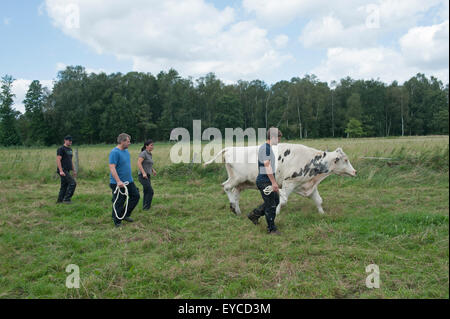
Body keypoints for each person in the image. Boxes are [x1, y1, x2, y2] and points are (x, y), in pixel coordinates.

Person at [247, 127, 282, 235]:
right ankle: (271, 229)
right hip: (264, 181)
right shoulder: (266, 148)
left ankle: (254, 215)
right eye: (278, 138)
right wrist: (274, 182)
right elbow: (267, 166)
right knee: (271, 205)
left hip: (266, 180)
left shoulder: (267, 147)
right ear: (272, 137)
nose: (279, 140)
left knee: (275, 201)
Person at [109, 133, 140, 228]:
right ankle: (117, 221)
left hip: (129, 181)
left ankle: (124, 214)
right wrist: (118, 181)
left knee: (135, 196)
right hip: (118, 182)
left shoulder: (126, 152)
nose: (129, 143)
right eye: (128, 141)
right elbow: (112, 168)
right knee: (119, 201)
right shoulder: (114, 152)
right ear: (122, 141)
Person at [56, 135, 77, 204]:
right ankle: (67, 199)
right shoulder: (61, 149)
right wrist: (61, 171)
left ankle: (59, 200)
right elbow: (58, 160)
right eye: (69, 140)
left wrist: (73, 170)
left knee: (64, 185)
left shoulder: (70, 150)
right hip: (63, 170)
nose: (70, 142)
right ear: (65, 140)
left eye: (71, 141)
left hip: (67, 170)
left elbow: (70, 161)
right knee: (72, 183)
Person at [137, 139, 157, 211]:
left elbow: (148, 164)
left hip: (147, 175)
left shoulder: (149, 154)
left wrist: (152, 170)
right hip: (142, 176)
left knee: (146, 191)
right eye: (151, 145)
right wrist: (143, 173)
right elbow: (139, 163)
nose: (152, 147)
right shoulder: (143, 153)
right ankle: (147, 208)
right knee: (150, 191)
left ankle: (144, 207)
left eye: (153, 145)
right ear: (146, 146)